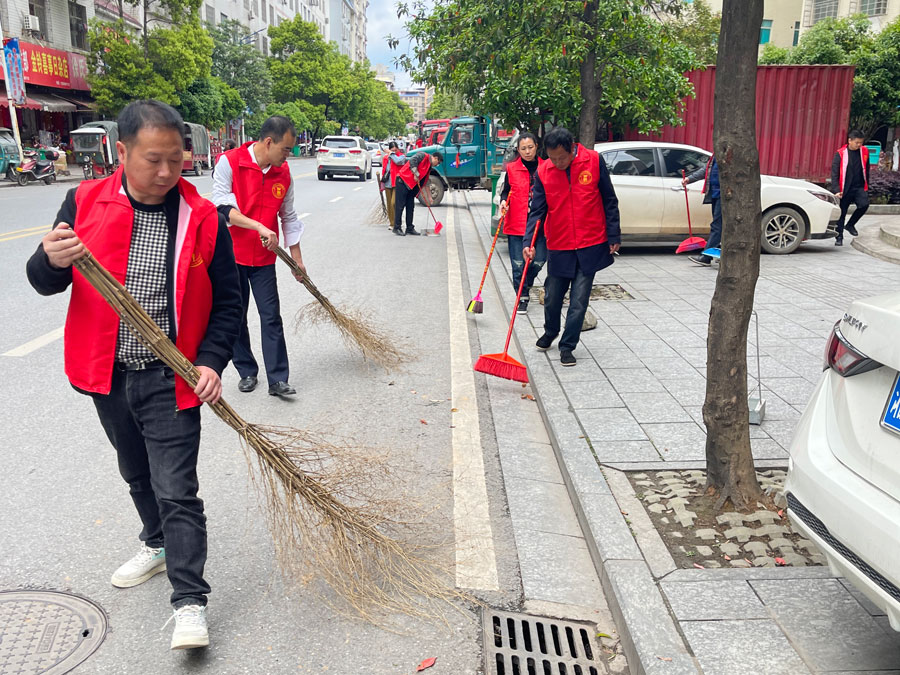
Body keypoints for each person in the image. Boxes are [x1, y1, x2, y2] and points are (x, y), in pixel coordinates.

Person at [26, 100, 242, 650]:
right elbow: (44, 281)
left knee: (178, 489)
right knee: (136, 472)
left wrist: (212, 363)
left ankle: (190, 600)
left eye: (176, 159)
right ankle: (156, 542)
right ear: (120, 153)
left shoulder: (204, 219)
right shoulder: (82, 200)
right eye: (153, 160)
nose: (167, 172)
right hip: (107, 374)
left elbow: (228, 306)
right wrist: (51, 259)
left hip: (173, 378)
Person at [212, 116, 306, 397]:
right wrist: (259, 226)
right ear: (268, 142)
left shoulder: (284, 173)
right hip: (232, 256)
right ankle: (246, 370)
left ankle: (278, 379)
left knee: (270, 316)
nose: (288, 155)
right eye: (286, 149)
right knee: (236, 316)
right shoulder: (229, 162)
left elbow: (288, 217)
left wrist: (297, 260)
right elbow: (222, 207)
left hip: (264, 259)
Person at [524, 127, 620, 367]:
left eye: (562, 158)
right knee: (553, 295)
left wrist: (613, 234)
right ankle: (551, 331)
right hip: (560, 242)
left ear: (573, 148)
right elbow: (537, 211)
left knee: (579, 300)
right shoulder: (544, 171)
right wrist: (529, 242)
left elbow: (609, 199)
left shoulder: (593, 161)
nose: (557, 163)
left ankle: (568, 346)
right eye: (552, 158)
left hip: (590, 242)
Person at [500, 132, 547, 314]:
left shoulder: (546, 167)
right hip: (517, 223)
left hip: (541, 224)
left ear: (536, 146)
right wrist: (504, 201)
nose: (527, 152)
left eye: (530, 147)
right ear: (518, 150)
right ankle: (522, 298)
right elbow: (506, 192)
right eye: (523, 149)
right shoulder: (512, 169)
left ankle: (524, 284)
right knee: (518, 263)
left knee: (540, 260)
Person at [391, 149, 443, 236]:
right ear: (435, 158)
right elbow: (412, 161)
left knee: (410, 206)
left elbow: (426, 182)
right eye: (438, 162)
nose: (437, 165)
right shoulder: (423, 155)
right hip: (403, 181)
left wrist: (429, 197)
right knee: (400, 206)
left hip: (411, 186)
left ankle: (409, 228)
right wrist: (415, 173)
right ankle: (397, 227)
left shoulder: (429, 167)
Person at [831, 129, 870, 246]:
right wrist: (836, 190)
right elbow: (834, 173)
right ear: (850, 141)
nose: (859, 145)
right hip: (845, 188)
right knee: (842, 213)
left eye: (861, 143)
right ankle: (839, 237)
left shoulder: (864, 151)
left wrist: (867, 185)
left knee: (864, 205)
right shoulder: (840, 153)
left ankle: (851, 224)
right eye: (857, 142)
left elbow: (867, 169)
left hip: (859, 186)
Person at [683, 155, 720, 266]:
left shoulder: (731, 153)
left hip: (726, 196)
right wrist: (689, 179)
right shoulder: (717, 154)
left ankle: (706, 257)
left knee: (717, 226)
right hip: (715, 194)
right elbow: (706, 169)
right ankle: (719, 254)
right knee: (719, 226)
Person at [380, 141, 403, 228]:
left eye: (395, 150)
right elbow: (384, 170)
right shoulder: (386, 158)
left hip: (397, 183)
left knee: (394, 203)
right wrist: (382, 183)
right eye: (392, 150)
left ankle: (397, 221)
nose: (394, 152)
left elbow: (397, 162)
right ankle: (392, 223)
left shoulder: (401, 157)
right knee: (389, 204)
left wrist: (391, 154)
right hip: (387, 183)